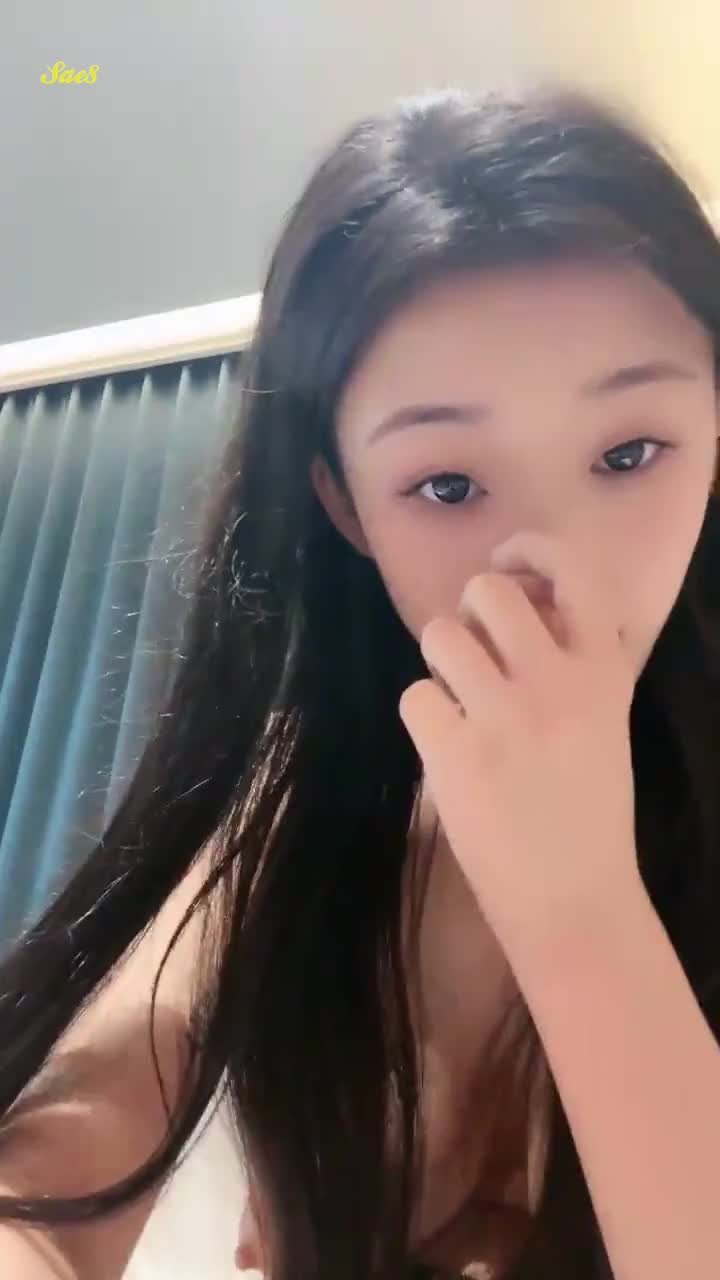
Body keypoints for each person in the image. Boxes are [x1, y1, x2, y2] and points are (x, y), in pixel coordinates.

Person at [1, 81, 720, 1280]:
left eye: (630, 451)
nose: (551, 568)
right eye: (447, 485)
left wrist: (579, 903)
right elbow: (73, 1150)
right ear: (346, 506)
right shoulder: (316, 788)